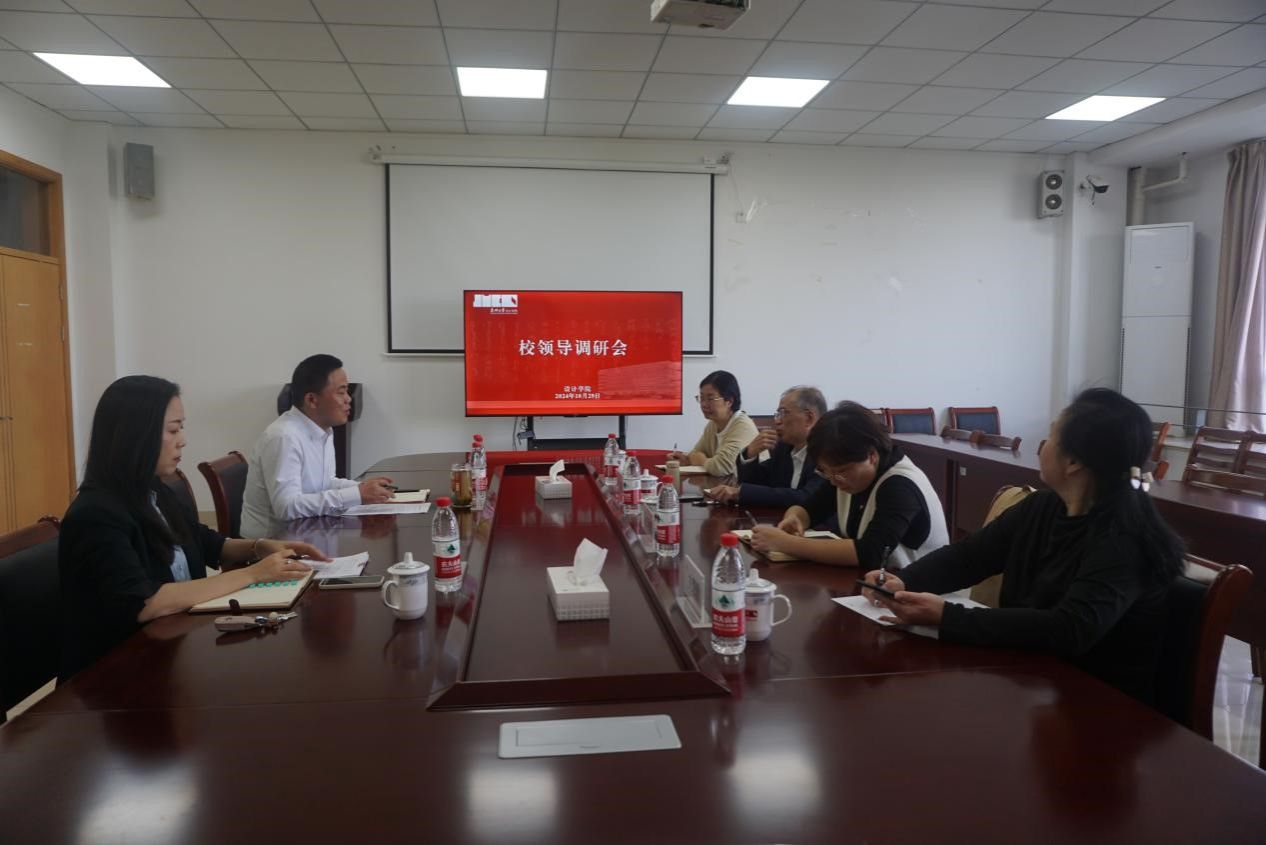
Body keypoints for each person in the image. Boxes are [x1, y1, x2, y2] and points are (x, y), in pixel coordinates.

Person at [863, 388, 1185, 706]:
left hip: (1099, 707)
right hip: (1033, 682)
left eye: (1051, 437)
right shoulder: (1042, 507)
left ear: (1073, 462)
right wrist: (904, 581)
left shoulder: (1125, 539)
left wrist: (949, 617)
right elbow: (970, 557)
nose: (1042, 446)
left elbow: (1069, 629)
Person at [59, 376, 329, 680]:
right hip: (113, 678)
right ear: (136, 435)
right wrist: (254, 574)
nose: (183, 440)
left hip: (171, 651)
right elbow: (145, 603)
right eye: (173, 429)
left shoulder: (154, 490)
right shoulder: (96, 515)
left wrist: (259, 547)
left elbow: (204, 541)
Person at [751, 401, 948, 568]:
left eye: (841, 471)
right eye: (825, 471)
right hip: (879, 585)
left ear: (872, 455)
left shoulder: (900, 485)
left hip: (923, 592)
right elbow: (811, 508)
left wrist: (787, 543)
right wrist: (796, 517)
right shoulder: (845, 473)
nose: (834, 480)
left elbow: (870, 552)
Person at [240, 354, 393, 538]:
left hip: (308, 534)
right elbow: (286, 507)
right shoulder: (284, 437)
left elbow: (325, 483)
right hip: (271, 546)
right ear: (312, 400)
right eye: (341, 392)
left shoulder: (323, 430)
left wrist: (363, 487)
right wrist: (357, 494)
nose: (348, 399)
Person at [706, 386, 827, 509]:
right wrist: (750, 454)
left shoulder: (826, 452)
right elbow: (755, 484)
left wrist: (740, 492)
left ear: (809, 418)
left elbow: (808, 497)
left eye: (784, 413)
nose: (777, 421)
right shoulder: (784, 448)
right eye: (778, 414)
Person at [666, 370, 759, 477]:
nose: (704, 404)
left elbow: (721, 467)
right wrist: (686, 459)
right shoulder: (713, 424)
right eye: (701, 398)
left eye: (710, 399)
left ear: (729, 401)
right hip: (723, 485)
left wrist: (701, 460)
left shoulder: (743, 427)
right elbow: (695, 453)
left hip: (750, 486)